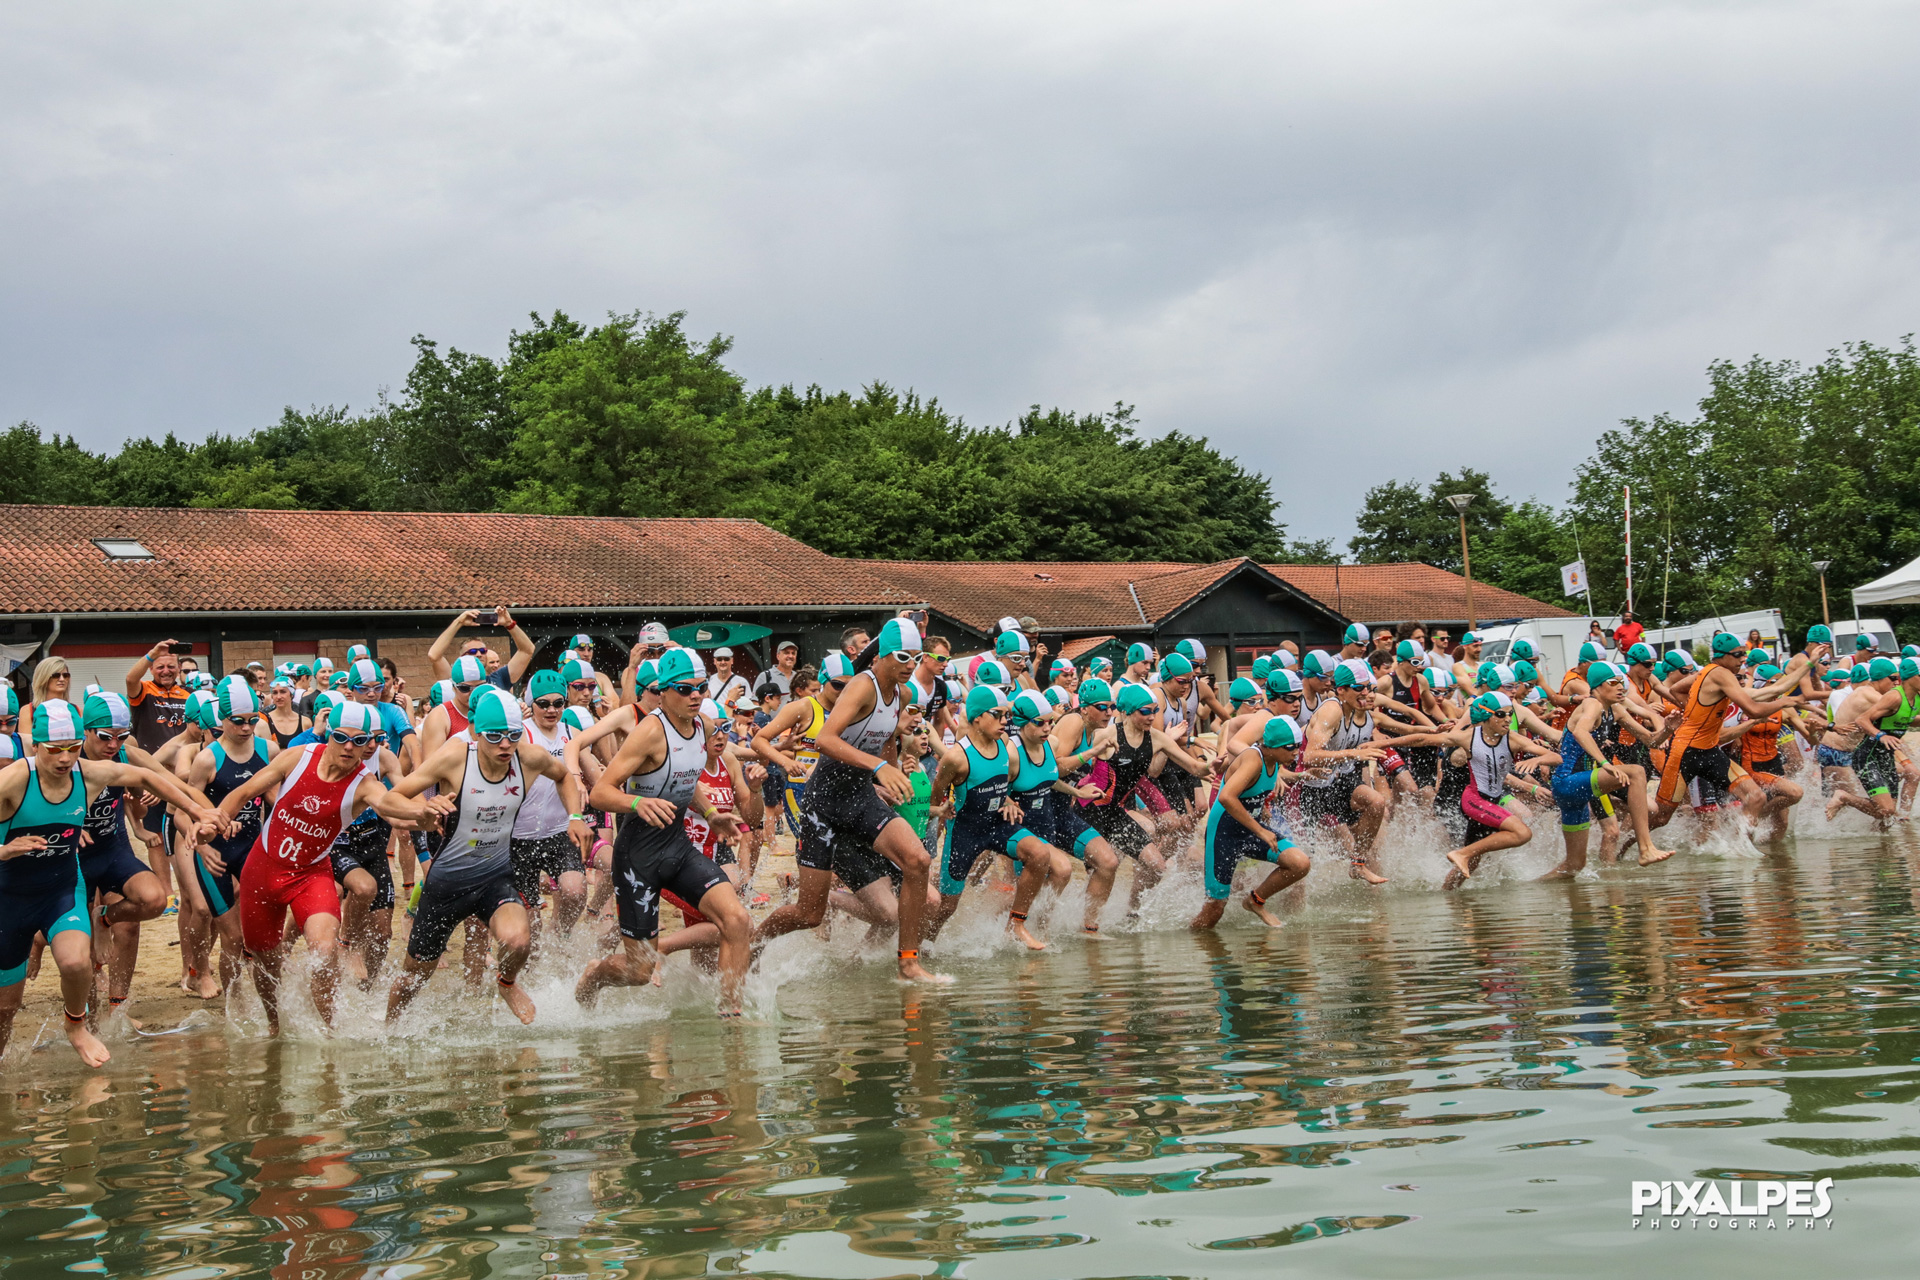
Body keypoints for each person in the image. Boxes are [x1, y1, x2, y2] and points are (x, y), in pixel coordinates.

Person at [1, 699, 225, 1068]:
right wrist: (5, 851)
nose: (64, 758)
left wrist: (198, 810)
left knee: (75, 962)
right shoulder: (13, 781)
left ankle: (77, 1028)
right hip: (9, 896)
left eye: (71, 749)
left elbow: (149, 777)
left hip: (61, 888)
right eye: (54, 750)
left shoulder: (89, 773)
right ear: (36, 745)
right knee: (5, 1009)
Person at [213, 701, 453, 1034]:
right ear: (329, 734)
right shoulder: (298, 757)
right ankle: (274, 1026)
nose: (349, 747)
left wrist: (423, 813)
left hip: (311, 874)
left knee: (324, 951)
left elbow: (389, 804)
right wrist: (219, 819)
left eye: (359, 741)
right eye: (341, 737)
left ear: (370, 743)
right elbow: (244, 792)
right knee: (266, 959)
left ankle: (330, 1032)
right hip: (263, 869)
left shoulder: (364, 782)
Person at [386, 695, 587, 1025]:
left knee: (518, 940)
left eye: (513, 735)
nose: (505, 745)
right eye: (494, 736)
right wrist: (421, 810)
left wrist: (575, 815)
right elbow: (391, 799)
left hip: (494, 877)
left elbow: (564, 776)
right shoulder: (454, 757)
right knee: (415, 977)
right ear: (476, 731)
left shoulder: (529, 758)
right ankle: (388, 1031)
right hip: (447, 883)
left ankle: (507, 984)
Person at [577, 649, 755, 1014]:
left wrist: (711, 813)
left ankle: (730, 1013)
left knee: (737, 921)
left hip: (677, 847)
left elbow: (685, 777)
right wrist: (637, 804)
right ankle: (595, 975)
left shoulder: (703, 725)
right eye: (685, 689)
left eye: (701, 688)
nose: (695, 696)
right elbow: (600, 792)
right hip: (637, 857)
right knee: (638, 971)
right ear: (663, 691)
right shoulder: (649, 732)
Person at [800, 618, 943, 982]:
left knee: (918, 860)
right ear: (880, 656)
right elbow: (826, 740)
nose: (912, 665)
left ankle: (908, 963)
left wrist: (894, 771)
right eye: (903, 656)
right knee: (807, 914)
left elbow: (884, 738)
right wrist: (881, 767)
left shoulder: (904, 694)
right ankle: (756, 941)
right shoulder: (861, 687)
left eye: (918, 657)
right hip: (826, 803)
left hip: (861, 795)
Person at [1652, 633, 1810, 835]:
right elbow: (1727, 730)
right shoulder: (1717, 677)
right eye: (1738, 656)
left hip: (1711, 753)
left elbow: (1777, 688)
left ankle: (1739, 849)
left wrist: (1809, 663)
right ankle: (1635, 840)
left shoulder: (1736, 693)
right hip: (1688, 752)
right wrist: (1689, 713)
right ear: (1723, 657)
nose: (1741, 675)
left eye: (1744, 676)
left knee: (1755, 799)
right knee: (1669, 817)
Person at [1540, 663, 1676, 876]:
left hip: (1578, 788)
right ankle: (1646, 848)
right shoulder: (1592, 704)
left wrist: (1667, 730)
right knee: (1637, 772)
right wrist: (1605, 764)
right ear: (1597, 686)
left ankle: (1535, 891)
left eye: (1622, 683)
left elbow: (1650, 741)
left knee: (1574, 866)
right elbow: (1581, 733)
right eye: (1613, 683)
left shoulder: (1616, 709)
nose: (1621, 687)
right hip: (1567, 781)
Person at [1193, 715, 1314, 929]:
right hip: (1224, 835)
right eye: (1290, 747)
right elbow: (1226, 797)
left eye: (1298, 746)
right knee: (1215, 909)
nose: (1296, 751)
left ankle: (1255, 901)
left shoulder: (1275, 761)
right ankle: (1197, 948)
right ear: (1271, 746)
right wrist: (1261, 830)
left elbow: (1256, 787)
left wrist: (1302, 776)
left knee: (1299, 863)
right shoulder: (1253, 759)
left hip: (1249, 831)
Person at [1299, 661, 1390, 883]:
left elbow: (1405, 720)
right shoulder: (1332, 709)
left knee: (1377, 804)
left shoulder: (1359, 711)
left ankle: (1359, 867)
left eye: (1368, 687)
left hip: (1338, 782)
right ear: (1342, 690)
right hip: (1308, 787)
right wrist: (1353, 754)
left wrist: (1434, 729)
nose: (1366, 693)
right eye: (1359, 688)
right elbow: (1309, 756)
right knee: (1301, 866)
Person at [428, 607, 538, 689]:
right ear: (461, 657)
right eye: (472, 651)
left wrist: (509, 624)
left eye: (482, 651)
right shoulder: (454, 680)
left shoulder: (499, 678)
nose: (479, 654)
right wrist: (459, 622)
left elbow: (527, 650)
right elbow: (434, 655)